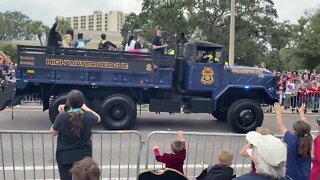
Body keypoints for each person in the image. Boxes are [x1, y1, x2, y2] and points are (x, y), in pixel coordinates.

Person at [50, 90, 101, 180]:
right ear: (82, 103)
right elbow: (98, 118)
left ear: (68, 103)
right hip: (84, 159)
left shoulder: (62, 117)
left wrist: (60, 113)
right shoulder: (88, 116)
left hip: (65, 157)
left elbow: (53, 132)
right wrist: (85, 107)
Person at [275, 103, 312, 180]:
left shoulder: (292, 139)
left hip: (292, 176)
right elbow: (305, 126)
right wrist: (302, 112)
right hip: (305, 176)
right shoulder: (308, 138)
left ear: (295, 131)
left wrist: (278, 111)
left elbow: (280, 124)